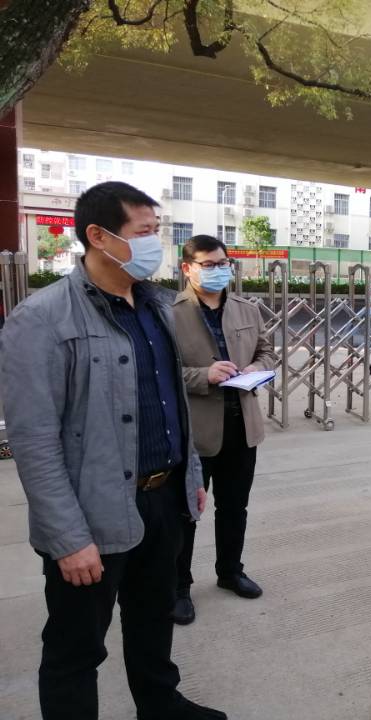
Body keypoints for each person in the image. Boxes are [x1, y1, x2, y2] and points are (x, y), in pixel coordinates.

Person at [0, 182, 226, 719]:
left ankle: (160, 704)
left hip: (163, 497)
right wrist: (68, 537)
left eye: (157, 231)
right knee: (77, 646)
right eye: (144, 232)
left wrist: (190, 474)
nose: (155, 244)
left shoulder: (156, 307)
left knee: (152, 618)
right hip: (92, 510)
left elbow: (171, 402)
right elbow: (33, 440)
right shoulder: (42, 319)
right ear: (99, 237)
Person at [171, 235, 278, 625]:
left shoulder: (246, 309)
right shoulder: (170, 314)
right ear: (187, 268)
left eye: (223, 263)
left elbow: (266, 351)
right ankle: (178, 586)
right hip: (195, 433)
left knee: (235, 507)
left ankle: (230, 571)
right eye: (208, 264)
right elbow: (161, 372)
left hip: (241, 426)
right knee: (186, 513)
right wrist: (205, 375)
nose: (218, 271)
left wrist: (255, 369)